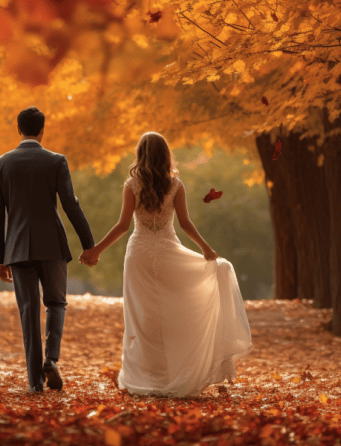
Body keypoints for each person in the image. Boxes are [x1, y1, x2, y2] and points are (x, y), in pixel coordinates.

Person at [79, 131, 252, 397]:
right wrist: (205, 248)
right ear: (165, 154)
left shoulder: (131, 185)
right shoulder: (176, 185)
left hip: (139, 254)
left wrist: (96, 250)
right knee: (174, 312)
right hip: (168, 252)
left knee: (142, 318)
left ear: (141, 153)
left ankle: (146, 376)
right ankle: (173, 374)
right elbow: (185, 223)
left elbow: (123, 225)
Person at [0, 106, 98, 393]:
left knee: (28, 310)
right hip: (52, 244)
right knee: (56, 303)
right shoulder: (56, 161)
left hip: (17, 249)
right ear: (42, 130)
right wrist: (89, 243)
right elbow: (70, 204)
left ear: (18, 129)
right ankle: (51, 358)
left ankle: (35, 382)